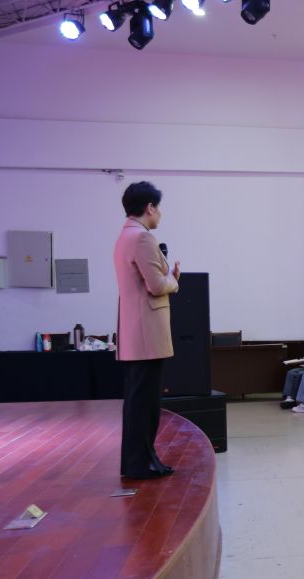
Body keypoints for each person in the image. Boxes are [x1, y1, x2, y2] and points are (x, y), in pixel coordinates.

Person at [113, 181, 180, 479]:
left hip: (134, 332)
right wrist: (173, 280)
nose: (160, 213)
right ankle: (141, 464)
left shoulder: (124, 236)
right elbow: (155, 285)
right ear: (150, 207)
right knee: (146, 404)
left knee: (137, 401)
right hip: (147, 334)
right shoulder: (142, 238)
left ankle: (137, 462)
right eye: (158, 207)